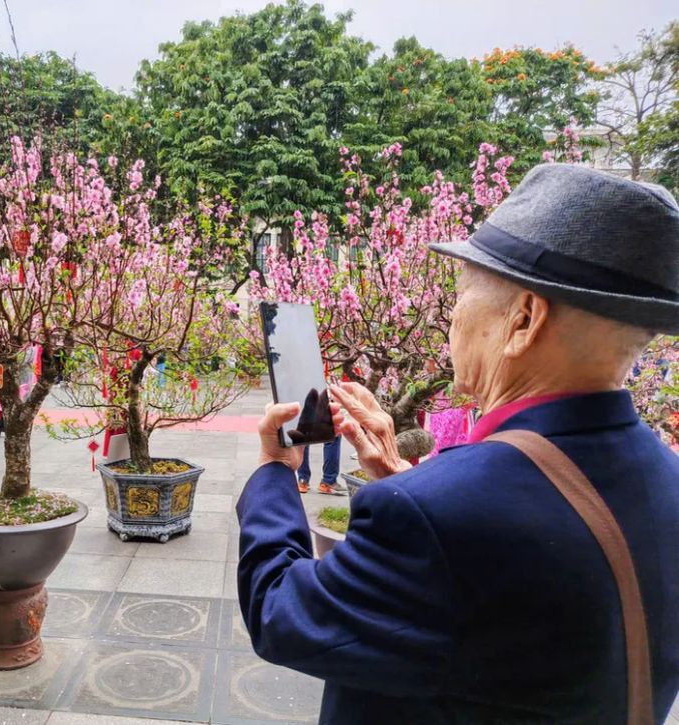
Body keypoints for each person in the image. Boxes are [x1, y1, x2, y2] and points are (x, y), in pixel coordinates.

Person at [236, 165, 679, 722]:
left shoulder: (437, 516)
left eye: (464, 292)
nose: (451, 315)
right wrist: (403, 475)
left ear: (524, 319)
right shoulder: (668, 478)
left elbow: (278, 614)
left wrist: (275, 470)